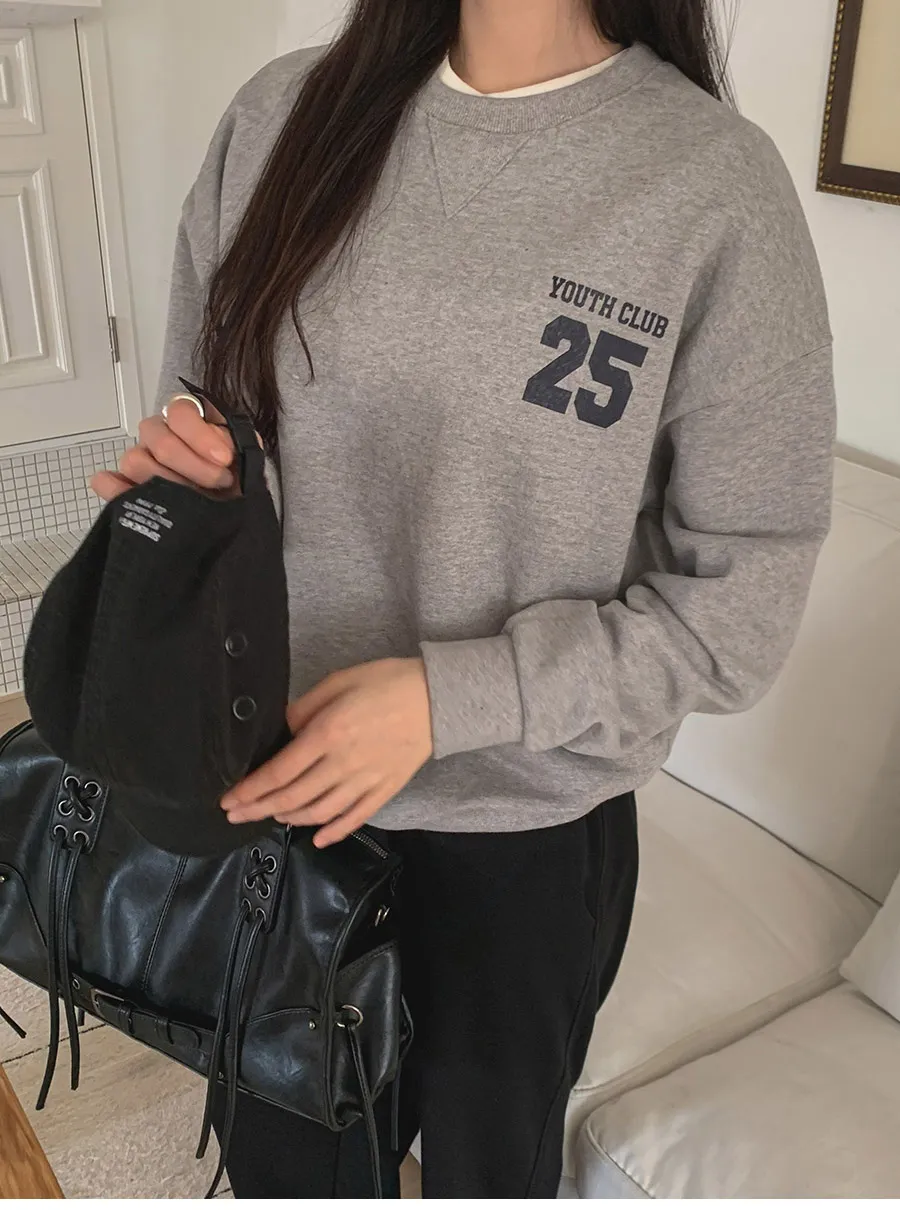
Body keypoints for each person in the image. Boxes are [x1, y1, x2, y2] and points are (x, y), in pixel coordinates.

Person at [91, 0, 836, 1197]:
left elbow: (736, 612)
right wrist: (206, 486)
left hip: (523, 838)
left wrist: (448, 701)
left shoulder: (709, 184)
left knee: (491, 1177)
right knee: (286, 1170)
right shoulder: (280, 116)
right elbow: (213, 413)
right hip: (274, 791)